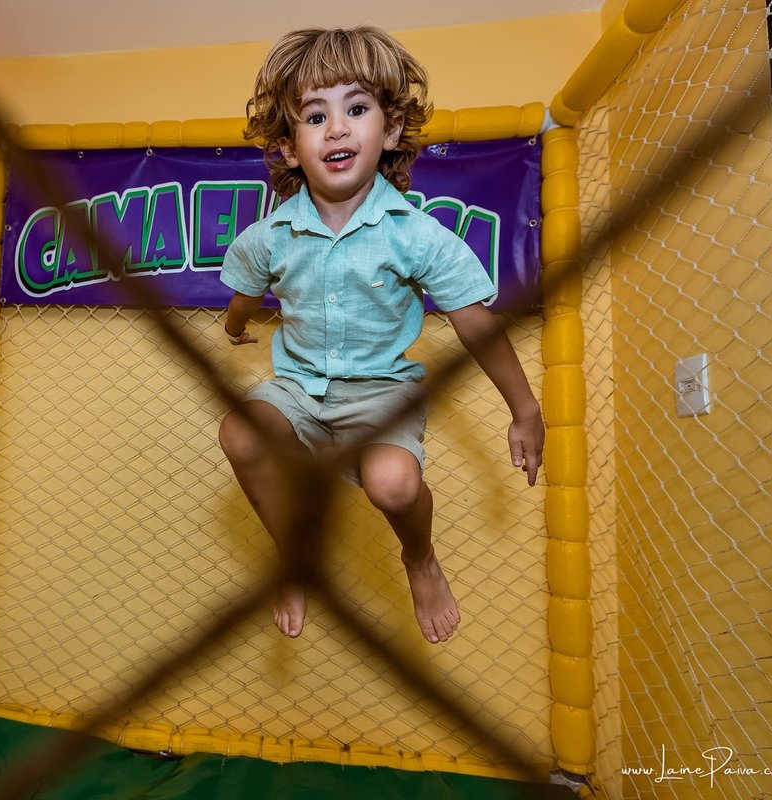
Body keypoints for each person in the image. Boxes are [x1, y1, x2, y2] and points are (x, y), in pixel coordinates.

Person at [217, 26, 544, 644]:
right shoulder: (270, 236)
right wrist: (236, 326)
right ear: (289, 147)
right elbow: (244, 293)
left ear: (389, 131)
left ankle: (419, 558)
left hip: (382, 393)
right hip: (301, 388)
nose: (337, 128)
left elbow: (475, 321)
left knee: (391, 483)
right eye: (315, 116)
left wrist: (524, 410)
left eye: (357, 108)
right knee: (239, 430)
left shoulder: (414, 234)